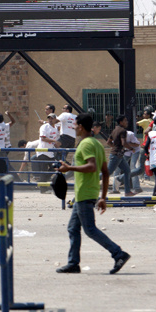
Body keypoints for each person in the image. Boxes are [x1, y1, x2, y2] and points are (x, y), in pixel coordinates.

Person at [55, 113, 131, 274]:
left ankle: (118, 254)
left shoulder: (85, 144)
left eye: (75, 125)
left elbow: (92, 167)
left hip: (84, 193)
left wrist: (69, 168)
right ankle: (73, 263)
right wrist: (103, 197)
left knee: (89, 229)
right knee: (72, 228)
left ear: (81, 127)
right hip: (88, 192)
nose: (74, 128)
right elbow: (105, 172)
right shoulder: (97, 144)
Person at [106, 114, 137, 196]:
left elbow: (108, 142)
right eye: (125, 120)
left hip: (118, 155)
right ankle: (91, 180)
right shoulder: (123, 131)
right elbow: (124, 143)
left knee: (127, 171)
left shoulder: (115, 130)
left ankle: (127, 192)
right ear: (121, 122)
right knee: (107, 173)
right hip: (116, 155)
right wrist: (131, 149)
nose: (127, 122)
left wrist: (115, 147)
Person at [33, 113, 59, 193]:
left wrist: (57, 145)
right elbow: (43, 138)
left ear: (55, 119)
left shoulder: (55, 129)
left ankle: (41, 182)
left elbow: (56, 140)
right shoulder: (44, 127)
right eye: (49, 118)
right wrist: (54, 141)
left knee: (55, 167)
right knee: (43, 170)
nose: (50, 120)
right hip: (43, 151)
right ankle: (43, 189)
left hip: (50, 152)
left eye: (52, 118)